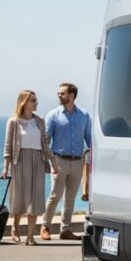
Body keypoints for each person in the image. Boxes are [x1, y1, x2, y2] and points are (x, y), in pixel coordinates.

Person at [1, 91, 58, 245]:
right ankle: (15, 226)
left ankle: (31, 236)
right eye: (33, 100)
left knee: (35, 198)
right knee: (19, 197)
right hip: (19, 162)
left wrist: (53, 163)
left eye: (36, 100)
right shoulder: (14, 122)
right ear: (24, 102)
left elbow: (46, 145)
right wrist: (5, 167)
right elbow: (8, 146)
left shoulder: (40, 121)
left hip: (38, 161)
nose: (36, 103)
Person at [41, 82, 91, 241]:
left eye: (62, 93)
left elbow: (89, 139)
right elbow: (46, 141)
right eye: (58, 93)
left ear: (72, 95)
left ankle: (65, 229)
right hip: (59, 161)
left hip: (77, 162)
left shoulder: (84, 115)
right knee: (55, 195)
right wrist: (49, 162)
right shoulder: (53, 115)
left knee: (70, 198)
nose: (59, 96)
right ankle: (45, 226)